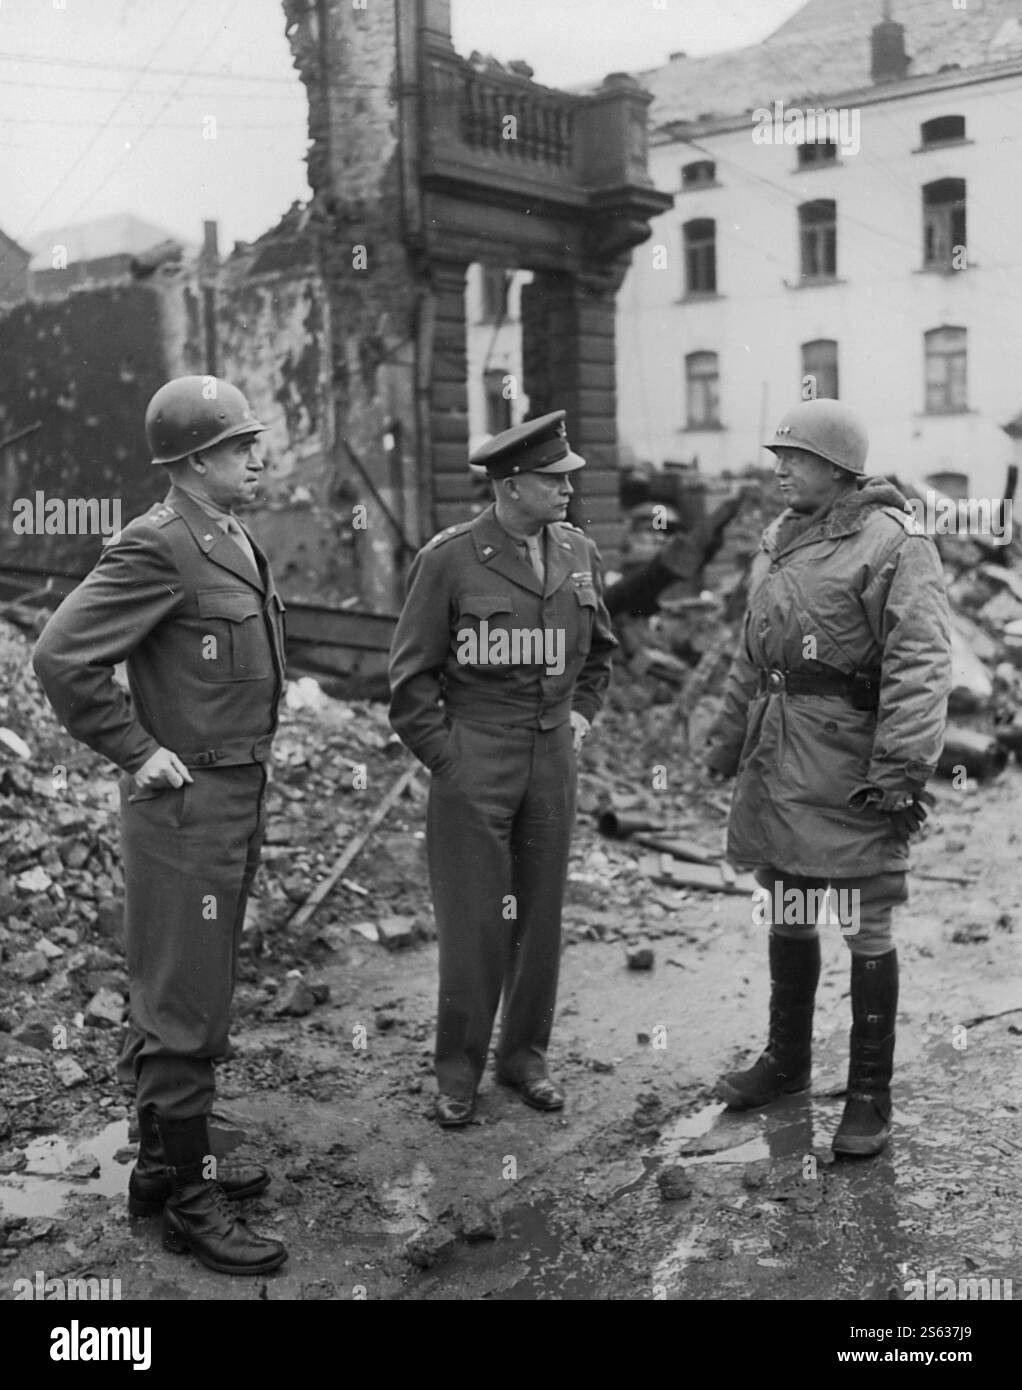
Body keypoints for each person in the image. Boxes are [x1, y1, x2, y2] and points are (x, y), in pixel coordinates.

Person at [33, 375, 288, 1273]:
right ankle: (188, 1200)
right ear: (192, 460)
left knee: (197, 985)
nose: (257, 456)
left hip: (232, 796)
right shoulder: (157, 543)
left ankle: (159, 1165)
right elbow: (60, 655)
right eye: (239, 445)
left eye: (253, 440)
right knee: (182, 999)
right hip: (184, 806)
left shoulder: (228, 535)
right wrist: (135, 749)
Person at [704, 398, 951, 1157]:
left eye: (797, 457)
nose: (780, 469)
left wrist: (901, 771)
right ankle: (788, 1065)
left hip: (849, 762)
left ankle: (869, 1095)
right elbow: (753, 657)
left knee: (865, 918)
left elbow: (921, 662)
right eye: (778, 456)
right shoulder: (779, 541)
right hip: (777, 754)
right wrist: (725, 740)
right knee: (787, 903)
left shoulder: (895, 543)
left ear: (840, 469)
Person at [389, 411, 617, 1127]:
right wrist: (450, 761)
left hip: (552, 757)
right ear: (511, 485)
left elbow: (601, 653)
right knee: (474, 923)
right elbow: (410, 683)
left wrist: (580, 717)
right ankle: (458, 1072)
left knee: (539, 918)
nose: (568, 489)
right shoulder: (450, 560)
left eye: (569, 478)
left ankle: (524, 1059)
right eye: (554, 479)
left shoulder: (578, 551)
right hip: (476, 755)